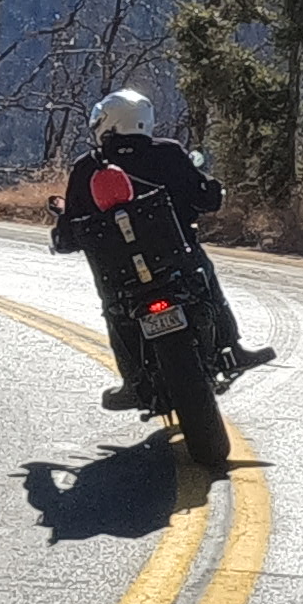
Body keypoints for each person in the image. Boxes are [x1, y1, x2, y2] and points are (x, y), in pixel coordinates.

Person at [52, 86, 263, 403]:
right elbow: (205, 197)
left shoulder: (88, 167)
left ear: (110, 122)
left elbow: (69, 230)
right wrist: (213, 191)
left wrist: (63, 238)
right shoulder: (169, 153)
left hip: (119, 272)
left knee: (115, 312)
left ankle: (133, 382)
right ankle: (231, 347)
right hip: (177, 259)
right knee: (206, 283)